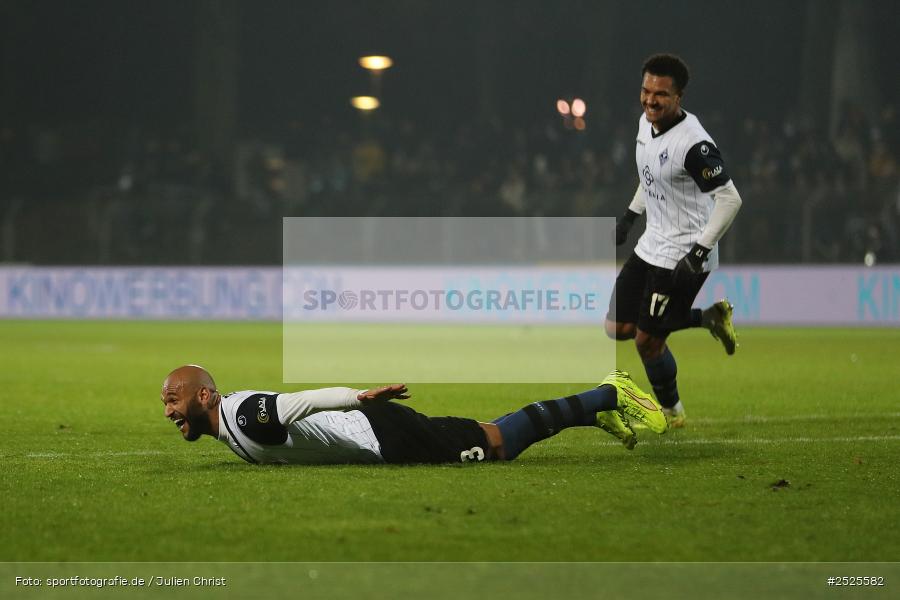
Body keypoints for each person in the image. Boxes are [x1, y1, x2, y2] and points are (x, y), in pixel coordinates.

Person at [160, 365, 668, 465]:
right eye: (166, 402)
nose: (169, 410)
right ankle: (591, 413)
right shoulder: (230, 426)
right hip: (378, 437)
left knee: (496, 443)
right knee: (487, 434)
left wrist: (361, 397)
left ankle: (606, 394)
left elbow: (307, 400)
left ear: (205, 396)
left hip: (383, 434)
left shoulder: (245, 415)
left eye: (175, 399)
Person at [607, 54, 742, 428]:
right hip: (652, 241)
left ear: (679, 97)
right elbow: (650, 176)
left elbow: (730, 199)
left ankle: (673, 412)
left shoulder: (694, 146)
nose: (650, 100)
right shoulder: (645, 123)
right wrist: (630, 218)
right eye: (646, 90)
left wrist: (699, 252)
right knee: (616, 327)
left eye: (660, 94)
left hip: (684, 250)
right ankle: (708, 318)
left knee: (646, 341)